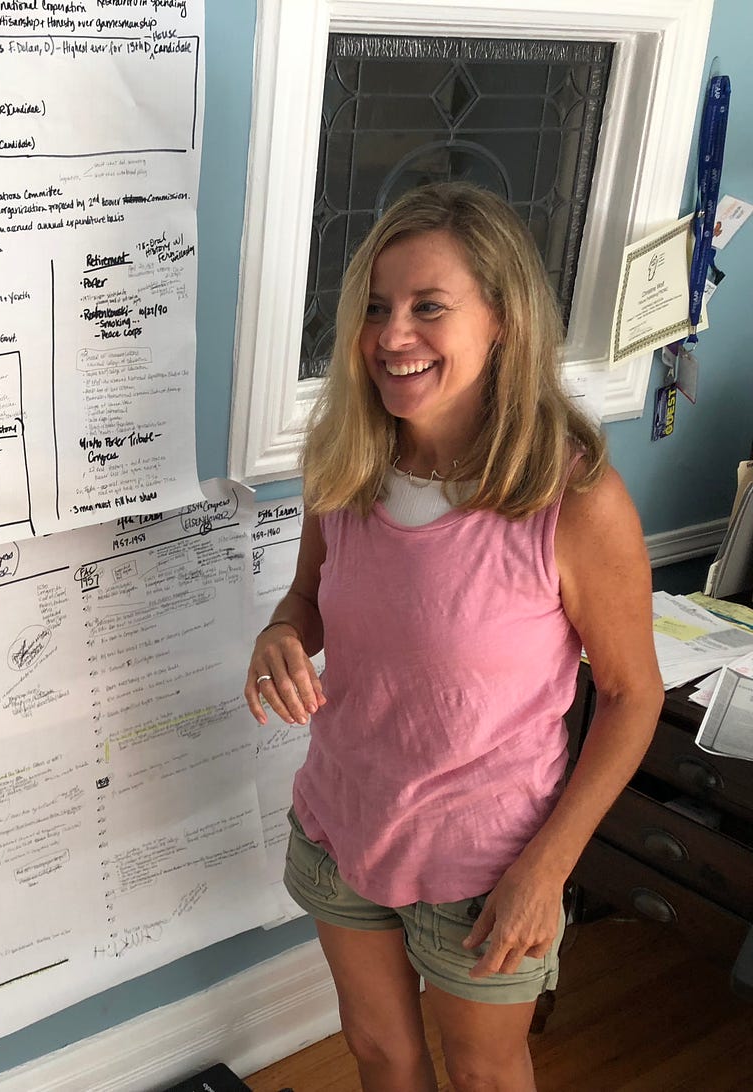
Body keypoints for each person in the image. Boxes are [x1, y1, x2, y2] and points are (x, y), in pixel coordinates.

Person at [244, 182, 661, 1092]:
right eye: (377, 309)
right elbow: (308, 597)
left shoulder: (574, 500)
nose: (394, 336)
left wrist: (547, 871)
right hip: (342, 823)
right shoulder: (346, 459)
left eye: (429, 307)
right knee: (381, 1053)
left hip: (488, 863)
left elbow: (633, 697)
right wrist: (281, 631)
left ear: (503, 320)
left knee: (483, 1076)